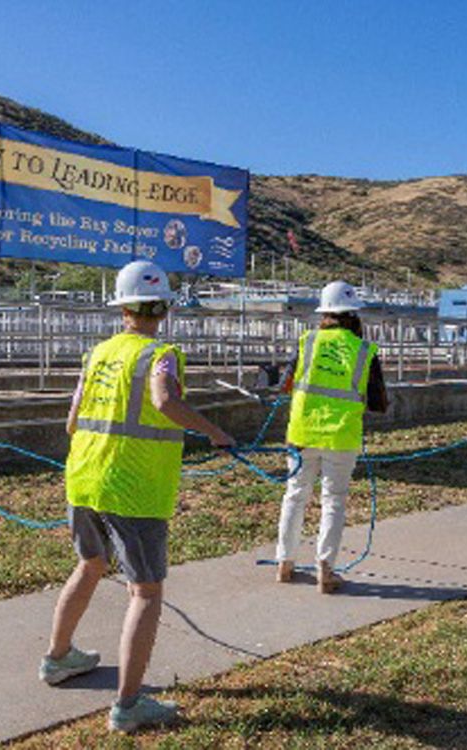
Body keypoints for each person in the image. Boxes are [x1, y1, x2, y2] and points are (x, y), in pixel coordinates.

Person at [41, 259, 234, 733]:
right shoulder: (162, 354)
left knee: (90, 565)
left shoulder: (98, 353)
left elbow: (71, 421)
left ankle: (58, 658)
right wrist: (215, 433)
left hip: (84, 477)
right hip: (134, 487)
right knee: (145, 591)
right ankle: (128, 705)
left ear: (122, 308)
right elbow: (165, 400)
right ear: (164, 308)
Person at [275, 280, 389, 593]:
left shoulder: (308, 342)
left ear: (323, 313)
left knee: (295, 496)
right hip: (341, 437)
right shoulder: (364, 351)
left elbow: (285, 385)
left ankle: (284, 563)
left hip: (302, 433)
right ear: (354, 315)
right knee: (333, 501)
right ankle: (325, 568)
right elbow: (379, 403)